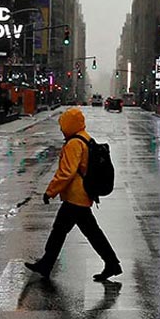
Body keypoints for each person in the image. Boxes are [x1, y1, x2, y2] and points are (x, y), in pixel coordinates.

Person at [25, 107, 121, 283]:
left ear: (70, 124)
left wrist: (50, 191)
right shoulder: (85, 137)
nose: (61, 129)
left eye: (63, 125)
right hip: (81, 196)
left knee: (74, 232)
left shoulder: (74, 143)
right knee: (70, 231)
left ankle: (111, 263)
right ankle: (47, 263)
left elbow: (66, 172)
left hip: (76, 197)